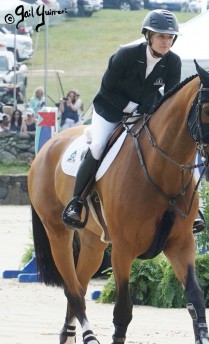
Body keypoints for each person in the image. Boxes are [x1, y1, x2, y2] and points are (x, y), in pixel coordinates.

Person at [64, 10, 192, 225]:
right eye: (161, 36)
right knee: (97, 147)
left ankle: (191, 207)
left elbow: (170, 98)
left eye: (170, 37)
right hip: (110, 110)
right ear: (148, 36)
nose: (166, 42)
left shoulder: (173, 62)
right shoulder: (125, 54)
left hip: (144, 114)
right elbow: (107, 90)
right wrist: (134, 107)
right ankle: (77, 202)